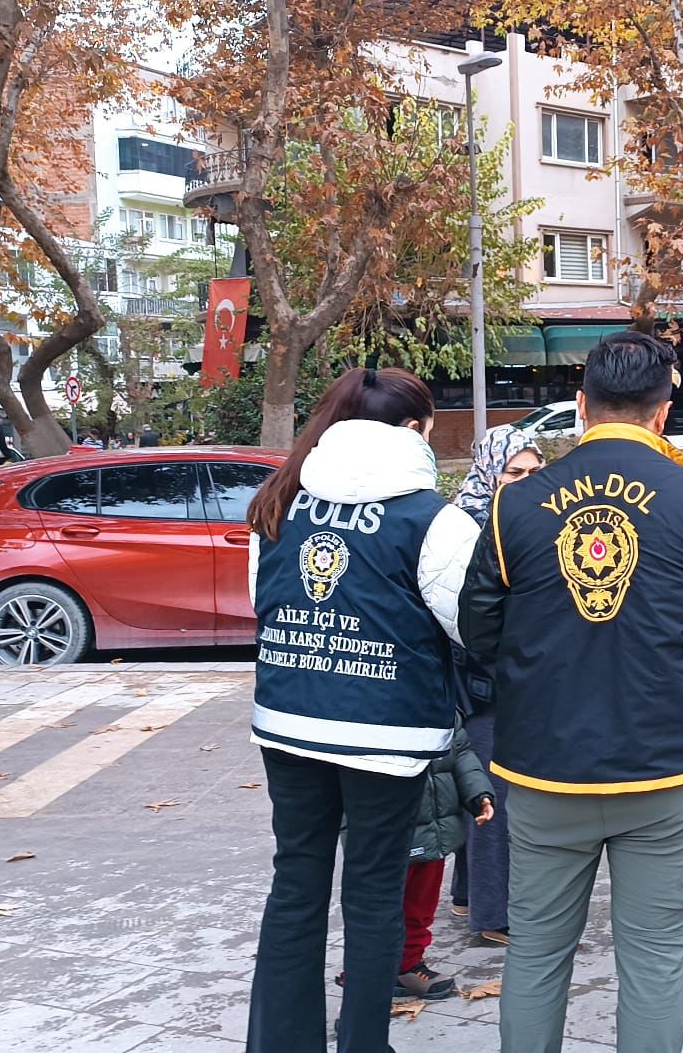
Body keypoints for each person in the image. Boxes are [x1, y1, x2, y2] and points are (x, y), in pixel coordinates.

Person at [460, 331, 683, 1053]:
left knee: (535, 953)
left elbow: (479, 633)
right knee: (655, 964)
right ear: (663, 413)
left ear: (580, 407)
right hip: (665, 768)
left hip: (543, 772)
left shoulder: (514, 506)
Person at [242, 366, 480, 1053]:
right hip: (387, 733)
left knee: (296, 883)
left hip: (288, 722)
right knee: (374, 895)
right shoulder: (433, 520)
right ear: (412, 430)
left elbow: (268, 602)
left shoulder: (277, 501)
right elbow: (468, 626)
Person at [446, 425, 545, 948]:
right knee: (494, 796)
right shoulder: (467, 524)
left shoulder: (522, 521)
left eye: (534, 472)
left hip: (502, 676)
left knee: (481, 789)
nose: (525, 482)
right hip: (481, 680)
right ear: (489, 472)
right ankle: (494, 912)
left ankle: (468, 895)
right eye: (514, 472)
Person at [364, 723, 497, 1001]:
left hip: (435, 824)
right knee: (378, 905)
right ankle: (364, 974)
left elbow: (461, 751)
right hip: (386, 824)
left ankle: (408, 964)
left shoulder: (440, 697)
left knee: (421, 903)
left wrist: (478, 793)